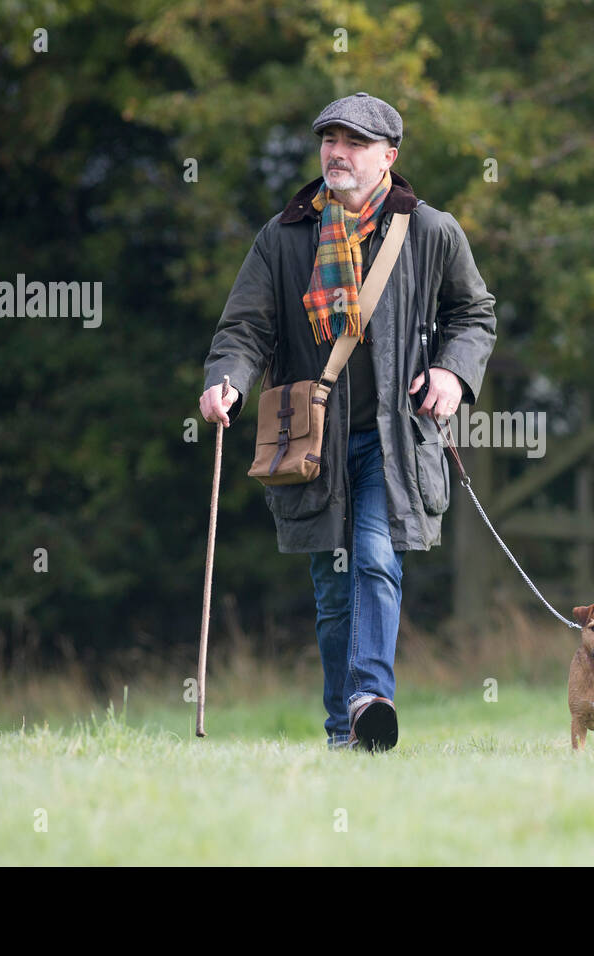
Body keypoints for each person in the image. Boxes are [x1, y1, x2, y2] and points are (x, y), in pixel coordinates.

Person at [198, 92, 497, 752]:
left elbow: (474, 315)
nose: (338, 151)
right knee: (334, 591)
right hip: (312, 440)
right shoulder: (283, 237)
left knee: (374, 559)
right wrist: (226, 383)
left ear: (388, 156)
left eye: (355, 142)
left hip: (394, 440)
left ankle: (368, 696)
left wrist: (452, 373)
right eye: (330, 138)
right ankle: (345, 731)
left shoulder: (431, 232)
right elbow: (245, 328)